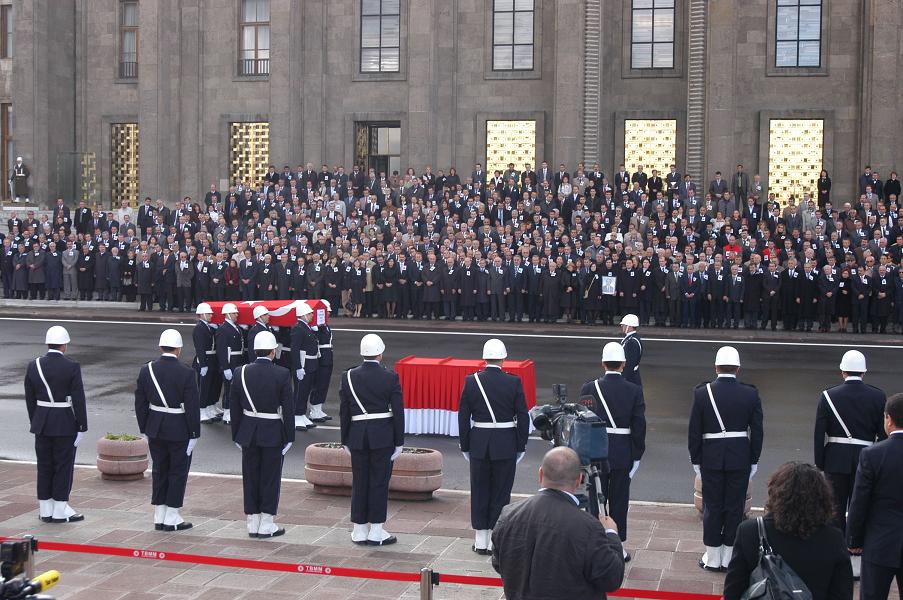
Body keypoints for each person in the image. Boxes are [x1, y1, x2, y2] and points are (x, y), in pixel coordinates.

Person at [491, 447, 625, 600]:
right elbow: (611, 579)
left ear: (540, 474)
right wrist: (611, 535)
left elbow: (499, 563)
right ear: (579, 480)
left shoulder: (509, 514)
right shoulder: (589, 527)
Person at [723, 462, 854, 600]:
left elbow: (733, 591)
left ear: (775, 493)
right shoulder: (833, 538)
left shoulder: (750, 532)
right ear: (822, 498)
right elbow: (842, 593)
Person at [688, 346, 764, 571]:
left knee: (712, 507)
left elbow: (694, 431)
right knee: (735, 507)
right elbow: (757, 431)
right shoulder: (750, 394)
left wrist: (696, 459)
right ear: (738, 369)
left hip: (711, 457)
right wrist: (754, 459)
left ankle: (712, 558)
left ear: (716, 367)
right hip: (740, 457)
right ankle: (729, 557)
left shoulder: (702, 393)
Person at [458, 338, 530, 555]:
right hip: (506, 442)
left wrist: (465, 444)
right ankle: (495, 540)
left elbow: (463, 416)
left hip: (479, 442)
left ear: (484, 358)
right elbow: (523, 416)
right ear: (503, 359)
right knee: (501, 492)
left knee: (479, 490)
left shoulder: (472, 381)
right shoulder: (513, 382)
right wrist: (521, 444)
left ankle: (480, 539)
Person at [813, 351, 886, 548]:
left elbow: (819, 433)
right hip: (866, 458)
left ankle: (836, 546)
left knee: (834, 507)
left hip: (835, 457)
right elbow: (883, 434)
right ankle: (856, 546)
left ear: (842, 371)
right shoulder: (878, 396)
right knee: (861, 505)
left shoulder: (828, 396)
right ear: (864, 372)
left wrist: (820, 462)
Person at [580, 342, 646, 561]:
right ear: (624, 364)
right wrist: (636, 454)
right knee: (619, 501)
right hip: (621, 451)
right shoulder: (634, 390)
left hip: (596, 451)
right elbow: (639, 426)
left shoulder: (589, 388)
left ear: (603, 363)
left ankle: (594, 544)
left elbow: (583, 424)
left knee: (595, 500)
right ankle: (618, 546)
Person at [339, 334, 405, 546]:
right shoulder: (390, 377)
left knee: (359, 481)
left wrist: (345, 439)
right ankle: (376, 530)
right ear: (380, 353)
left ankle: (359, 529)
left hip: (358, 436)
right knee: (379, 482)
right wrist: (399, 441)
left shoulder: (348, 376)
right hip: (382, 436)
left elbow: (344, 411)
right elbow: (398, 411)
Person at [134, 329, 201, 531]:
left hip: (155, 426)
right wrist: (194, 433)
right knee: (177, 471)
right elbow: (192, 407)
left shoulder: (147, 370)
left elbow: (140, 403)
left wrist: (145, 428)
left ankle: (159, 514)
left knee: (159, 469)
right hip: (179, 427)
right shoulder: (187, 372)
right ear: (179, 349)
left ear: (160, 346)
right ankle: (172, 516)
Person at [230, 331, 295, 539]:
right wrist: (290, 436)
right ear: (273, 352)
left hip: (248, 431)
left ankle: (252, 523)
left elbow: (234, 408)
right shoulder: (282, 374)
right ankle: (266, 523)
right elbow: (288, 409)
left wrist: (236, 434)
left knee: (250, 477)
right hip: (272, 431)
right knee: (270, 478)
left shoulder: (240, 372)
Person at [24, 326, 87, 523]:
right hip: (64, 422)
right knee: (63, 466)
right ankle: (59, 511)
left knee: (44, 466)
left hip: (42, 422)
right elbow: (78, 399)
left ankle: (45, 510)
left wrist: (36, 420)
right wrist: (82, 426)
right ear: (64, 345)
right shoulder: (72, 366)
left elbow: (30, 398)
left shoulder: (34, 365)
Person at [847, 393, 903, 599]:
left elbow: (860, 501)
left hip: (879, 543)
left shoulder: (872, 455)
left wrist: (854, 539)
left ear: (888, 419)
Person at [290, 302, 319, 430]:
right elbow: (295, 349)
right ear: (303, 315)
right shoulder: (298, 328)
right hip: (303, 365)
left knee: (306, 391)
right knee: (300, 391)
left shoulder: (306, 327)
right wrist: (298, 367)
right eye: (309, 313)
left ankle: (301, 414)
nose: (312, 315)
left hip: (310, 364)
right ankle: (296, 416)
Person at [215, 302, 244, 425]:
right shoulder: (223, 329)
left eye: (236, 312)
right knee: (229, 389)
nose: (237, 314)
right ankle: (227, 413)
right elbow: (221, 350)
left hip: (237, 362)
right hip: (230, 363)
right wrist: (225, 367)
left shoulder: (236, 327)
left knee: (235, 389)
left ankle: (233, 411)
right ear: (227, 314)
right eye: (234, 313)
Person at [192, 302, 221, 424]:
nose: (211, 315)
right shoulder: (199, 328)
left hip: (212, 359)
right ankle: (201, 410)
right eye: (208, 313)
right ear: (201, 314)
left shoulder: (208, 327)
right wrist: (203, 364)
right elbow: (200, 348)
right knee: (204, 388)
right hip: (205, 360)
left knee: (211, 386)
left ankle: (209, 406)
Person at [309, 300, 334, 423]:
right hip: (321, 357)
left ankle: (319, 409)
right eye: (326, 311)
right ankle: (314, 411)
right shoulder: (316, 327)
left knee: (324, 384)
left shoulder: (325, 325)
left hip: (328, 356)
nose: (328, 313)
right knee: (318, 384)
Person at [619, 313, 643, 387]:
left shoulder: (632, 342)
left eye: (624, 325)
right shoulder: (631, 338)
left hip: (631, 379)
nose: (622, 326)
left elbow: (629, 365)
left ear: (629, 326)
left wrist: (623, 380)